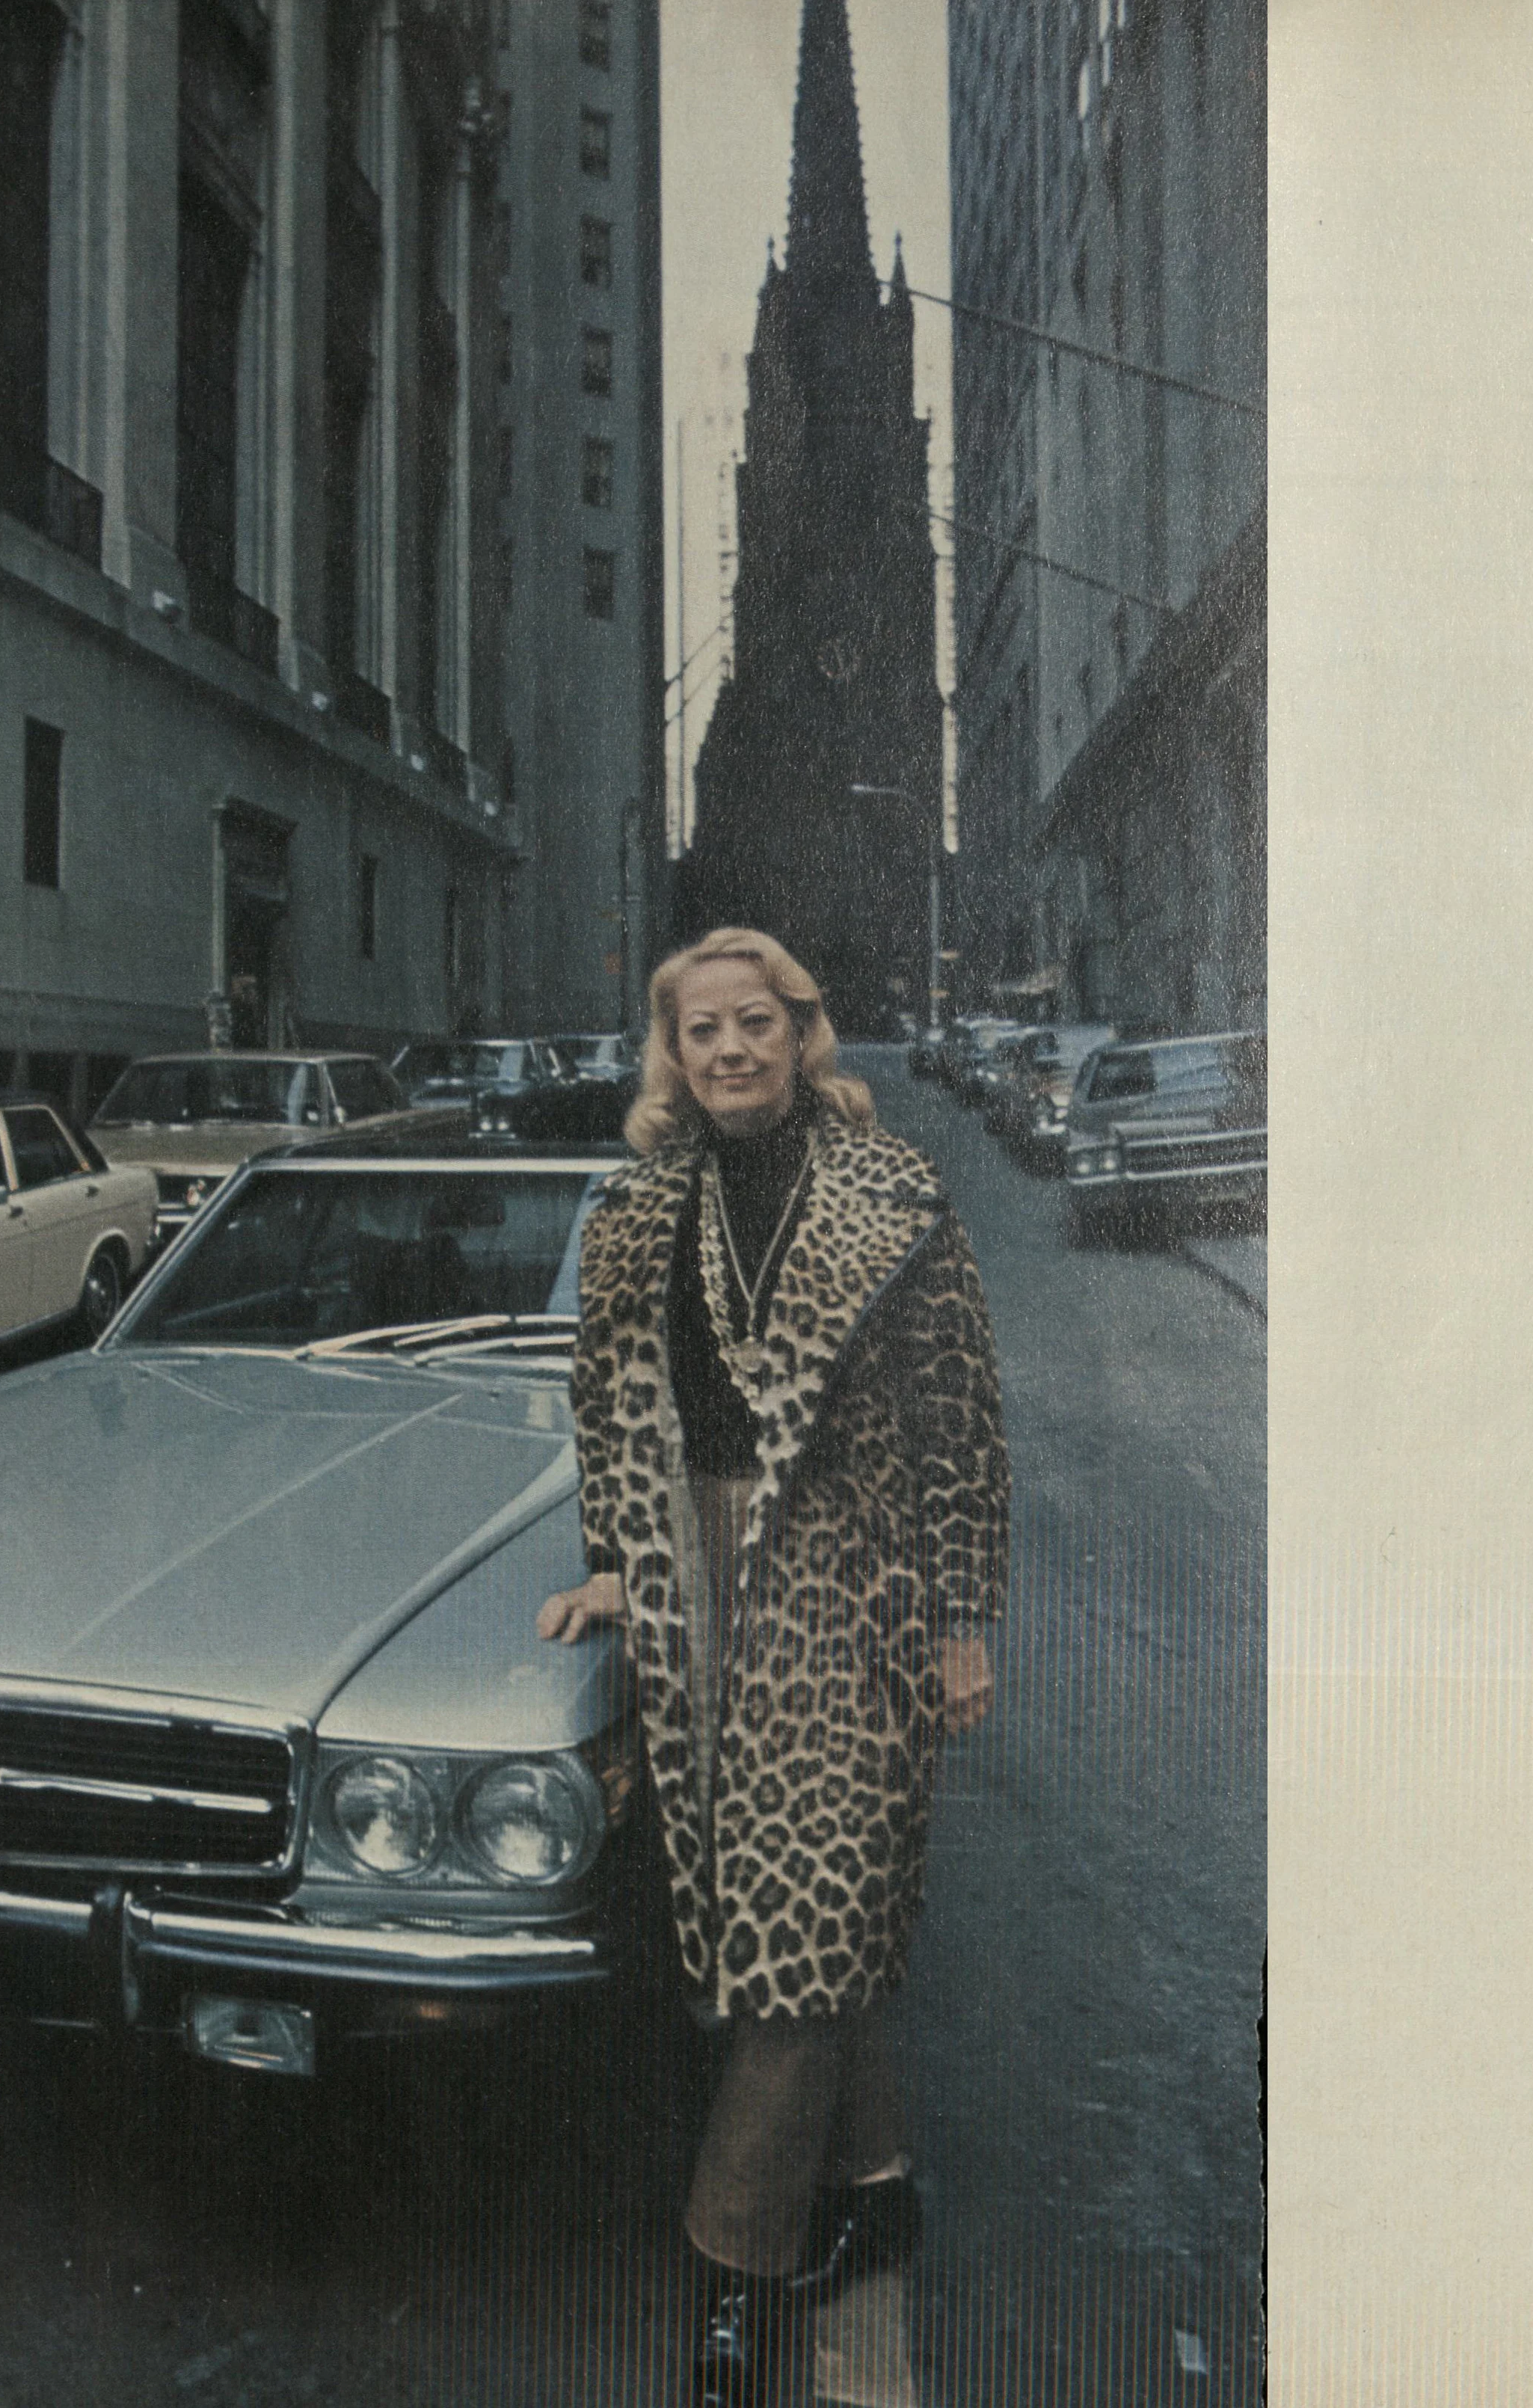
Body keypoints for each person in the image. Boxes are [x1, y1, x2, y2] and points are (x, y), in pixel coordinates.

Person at [539, 927, 1007, 2407]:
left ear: (801, 1034)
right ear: (672, 1055)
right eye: (703, 1031)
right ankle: (877, 2185)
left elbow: (958, 1416)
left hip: (852, 1583)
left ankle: (732, 2280)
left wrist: (959, 1618)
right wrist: (614, 1556)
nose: (731, 1049)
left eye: (756, 1022)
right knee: (769, 1912)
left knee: (800, 1933)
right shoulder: (633, 1211)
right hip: (691, 1575)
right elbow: (607, 1400)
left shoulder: (892, 1192)